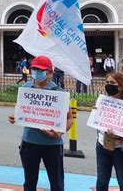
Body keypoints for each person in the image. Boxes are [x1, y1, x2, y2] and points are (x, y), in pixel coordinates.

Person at [8, 55, 73, 191]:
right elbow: (22, 111)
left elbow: (69, 119)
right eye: (35, 69)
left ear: (50, 72)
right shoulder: (26, 88)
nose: (37, 73)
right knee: (30, 183)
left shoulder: (59, 93)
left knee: (57, 183)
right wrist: (16, 117)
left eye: (41, 70)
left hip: (52, 146)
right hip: (29, 143)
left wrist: (59, 132)